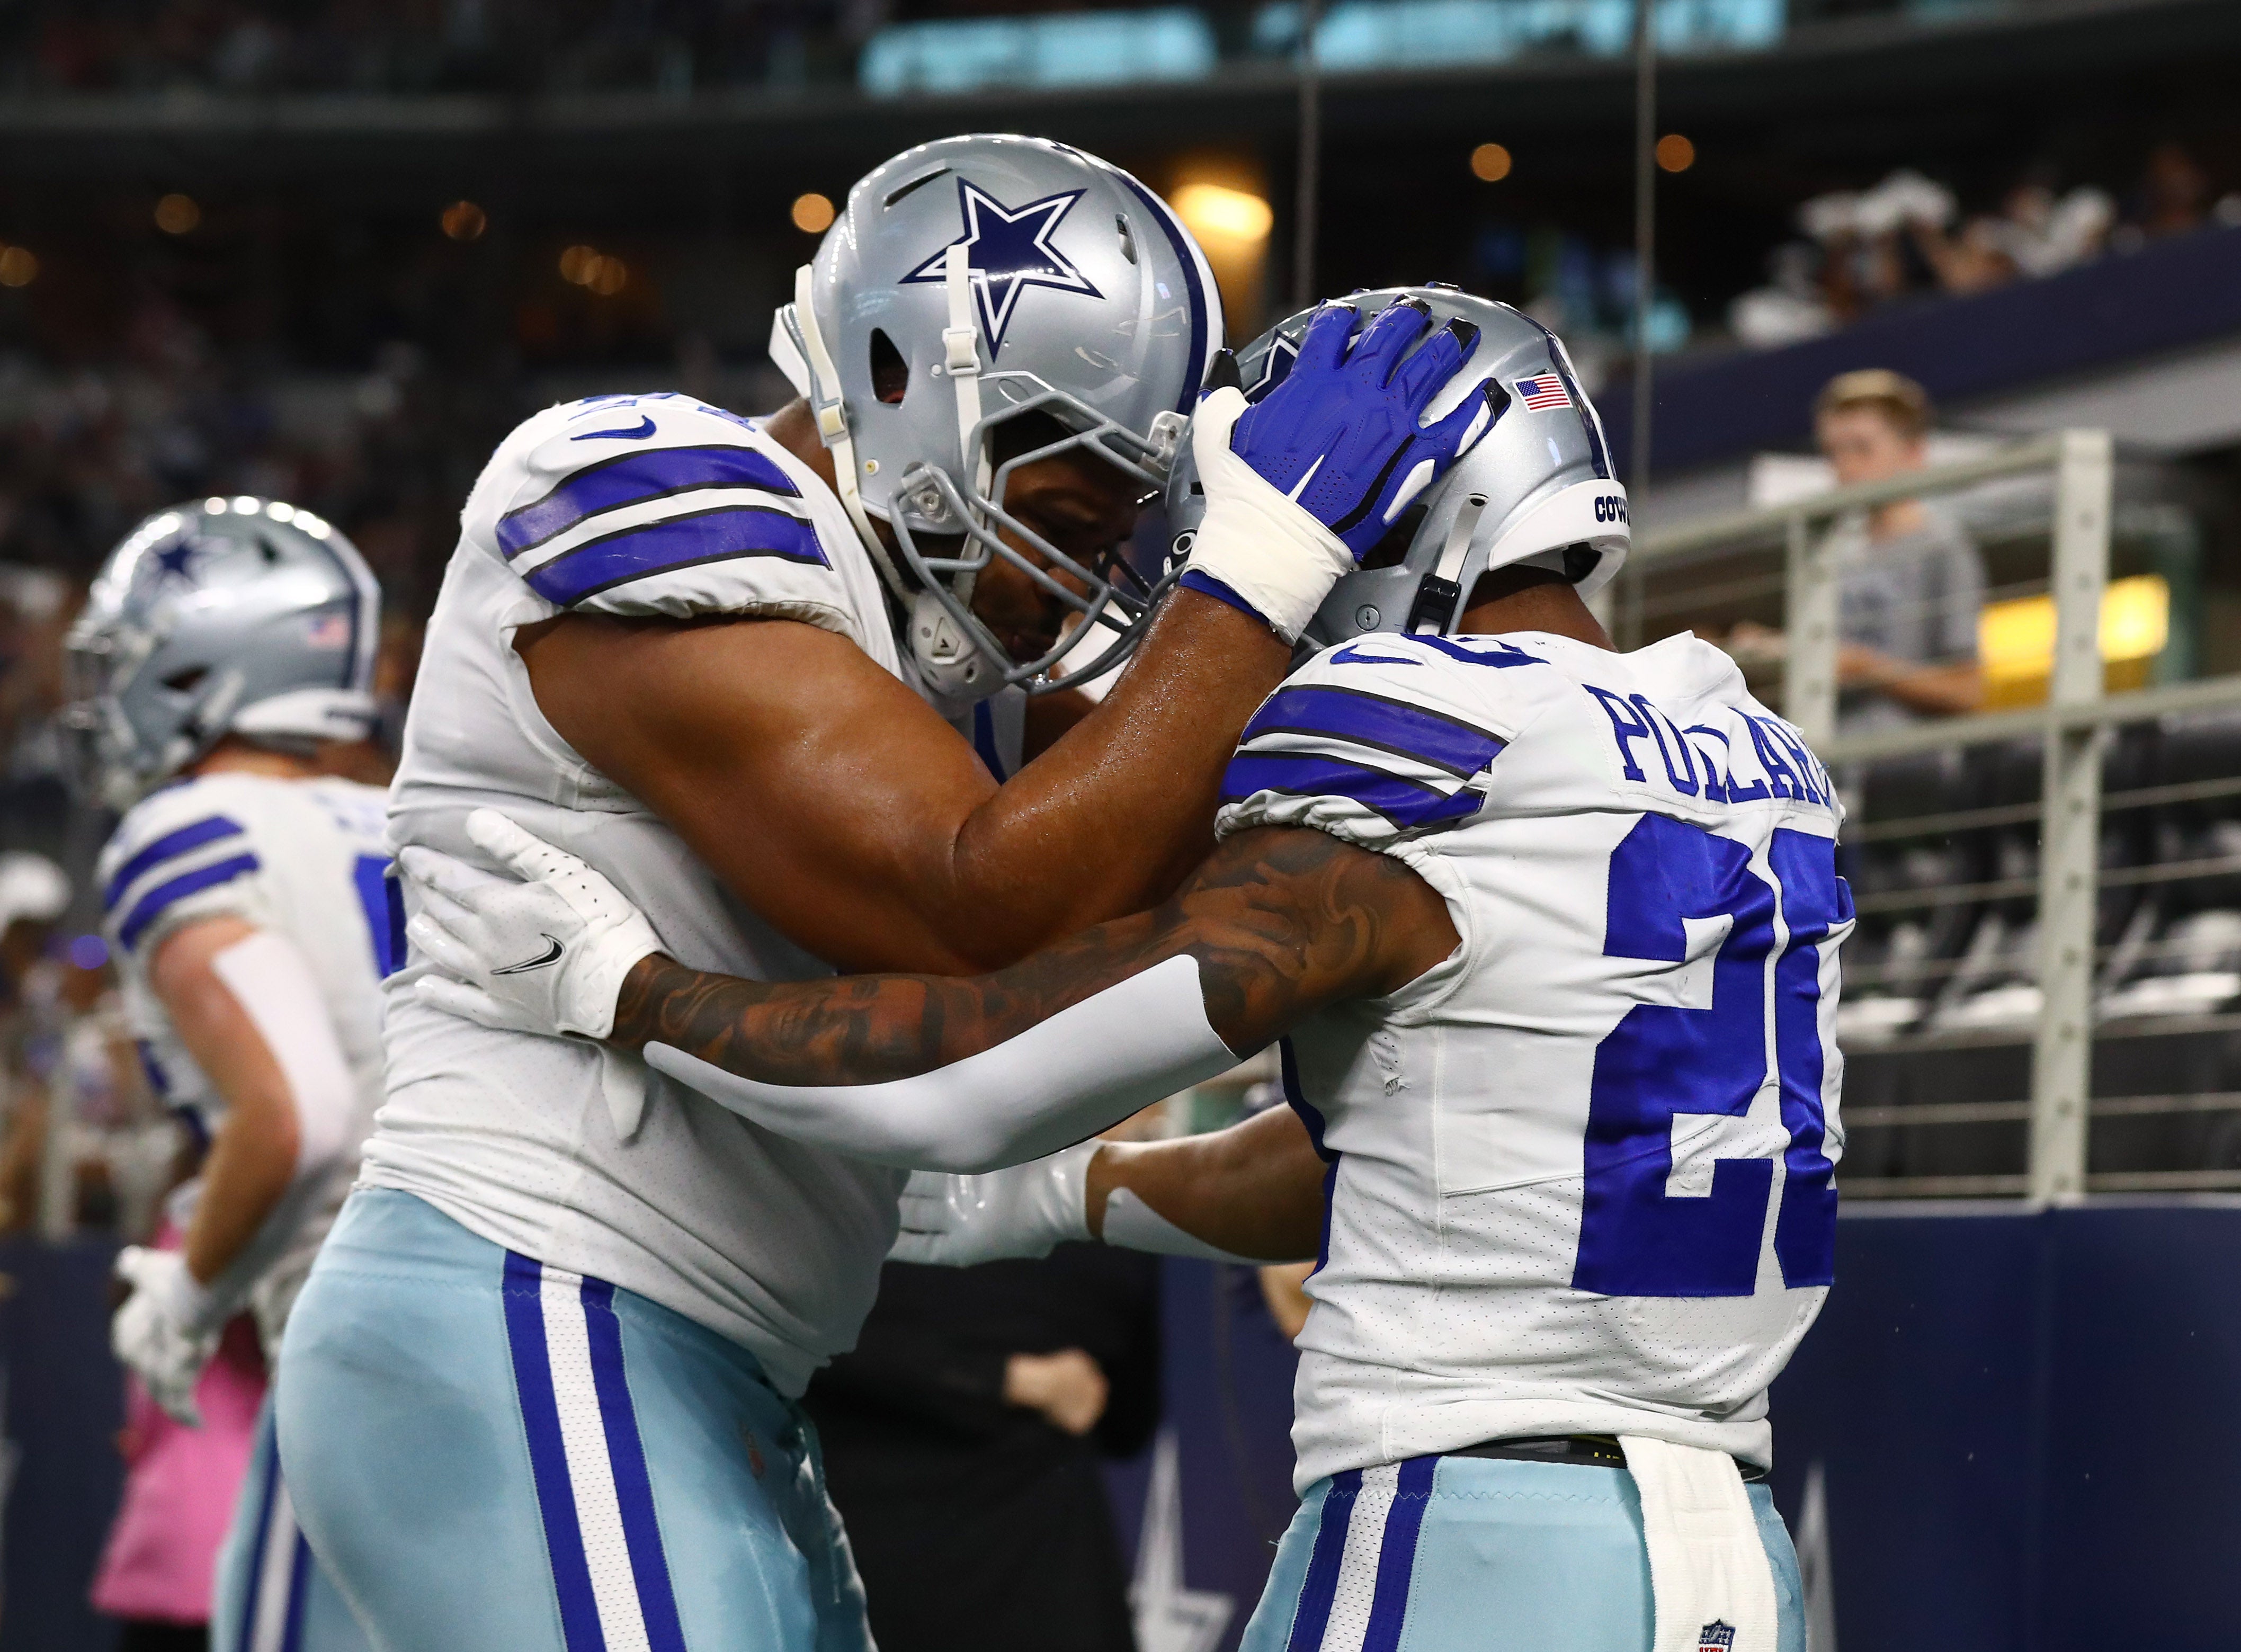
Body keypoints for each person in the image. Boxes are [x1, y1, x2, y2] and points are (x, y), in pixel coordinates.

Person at [409, 289, 1844, 1652]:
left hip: (1460, 1517)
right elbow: (1422, 1153)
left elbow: (961, 1078)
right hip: (1720, 1531)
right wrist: (1065, 1196)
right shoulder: (1745, 758)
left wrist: (633, 991)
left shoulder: (1424, 742)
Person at [275, 144, 1504, 1651]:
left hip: (715, 1362)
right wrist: (1261, 561)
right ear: (905, 376)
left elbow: (1172, 849)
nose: (1084, 572)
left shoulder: (939, 662)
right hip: (532, 1294)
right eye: (1074, 500)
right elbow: (968, 908)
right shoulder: (639, 475)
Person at [66, 496, 392, 1652]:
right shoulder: (405, 816)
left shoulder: (194, 825)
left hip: (356, 1341)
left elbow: (301, 1112)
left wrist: (188, 1289)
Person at [803, 1246, 1159, 1652]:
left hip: (871, 1570)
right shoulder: (1105, 1222)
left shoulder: (846, 1206)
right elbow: (1126, 1422)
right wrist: (1012, 1380)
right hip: (1041, 1581)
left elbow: (798, 1333)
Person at [1731, 369, 1984, 733]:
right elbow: (1832, 657)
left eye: (1862, 448)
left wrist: (1863, 667)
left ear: (1913, 452)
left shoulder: (1942, 544)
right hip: (1828, 755)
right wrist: (1771, 649)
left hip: (1905, 762)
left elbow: (1967, 690)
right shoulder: (1833, 551)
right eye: (1834, 452)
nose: (1846, 468)